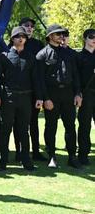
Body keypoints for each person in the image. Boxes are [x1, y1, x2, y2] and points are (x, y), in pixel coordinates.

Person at [0, 27, 41, 172]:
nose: (21, 39)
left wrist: (39, 97)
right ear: (12, 38)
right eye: (18, 36)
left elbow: (36, 79)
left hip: (26, 98)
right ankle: (3, 161)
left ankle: (26, 160)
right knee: (5, 129)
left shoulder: (31, 57)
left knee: (23, 130)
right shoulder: (4, 56)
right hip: (8, 97)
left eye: (23, 37)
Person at [36, 24, 82, 168]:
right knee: (51, 127)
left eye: (62, 34)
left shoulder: (69, 53)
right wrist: (46, 98)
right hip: (52, 94)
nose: (61, 36)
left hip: (68, 93)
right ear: (50, 37)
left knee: (70, 126)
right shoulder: (42, 54)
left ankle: (72, 156)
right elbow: (40, 80)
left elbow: (75, 75)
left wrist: (78, 93)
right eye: (58, 34)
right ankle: (52, 156)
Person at [16, 17, 47, 162]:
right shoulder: (14, 44)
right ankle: (19, 152)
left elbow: (41, 69)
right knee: (18, 123)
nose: (29, 28)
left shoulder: (38, 45)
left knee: (33, 123)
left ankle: (35, 151)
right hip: (18, 91)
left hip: (34, 90)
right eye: (26, 25)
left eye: (31, 26)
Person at [76, 28, 95, 165]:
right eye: (91, 36)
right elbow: (76, 78)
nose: (94, 38)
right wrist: (78, 93)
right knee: (84, 125)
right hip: (86, 94)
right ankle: (83, 154)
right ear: (85, 39)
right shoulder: (79, 57)